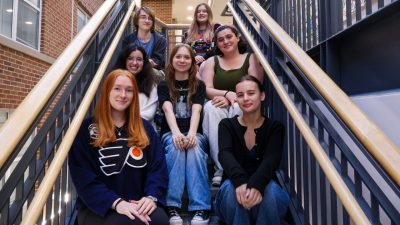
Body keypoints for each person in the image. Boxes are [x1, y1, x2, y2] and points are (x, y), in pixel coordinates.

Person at [69, 69, 169, 225]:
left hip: (138, 202)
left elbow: (157, 168)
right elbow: (83, 176)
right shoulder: (86, 129)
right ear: (107, 91)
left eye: (129, 90)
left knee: (159, 220)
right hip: (100, 206)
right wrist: (116, 202)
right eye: (117, 88)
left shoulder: (145, 128)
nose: (123, 95)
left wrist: (151, 197)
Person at [215, 75, 289, 225]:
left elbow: (271, 159)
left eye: (251, 93)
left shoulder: (275, 127)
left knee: (270, 192)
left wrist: (256, 184)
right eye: (240, 95)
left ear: (262, 95)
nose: (246, 98)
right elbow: (225, 154)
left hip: (266, 191)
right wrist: (240, 182)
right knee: (231, 190)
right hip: (232, 189)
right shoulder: (226, 125)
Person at [201, 24, 264, 186]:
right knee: (210, 108)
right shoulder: (211, 62)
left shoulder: (250, 58)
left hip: (243, 102)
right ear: (217, 44)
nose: (225, 41)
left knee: (238, 106)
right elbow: (206, 89)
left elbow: (254, 85)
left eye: (229, 37)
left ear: (237, 38)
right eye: (221, 40)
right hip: (219, 101)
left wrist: (233, 98)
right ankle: (222, 167)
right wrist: (227, 95)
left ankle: (237, 162)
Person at [157, 44, 210, 225]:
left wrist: (193, 134)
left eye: (186, 57)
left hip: (194, 131)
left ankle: (201, 207)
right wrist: (176, 133)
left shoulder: (199, 85)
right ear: (172, 60)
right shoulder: (164, 85)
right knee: (175, 147)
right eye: (178, 57)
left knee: (194, 149)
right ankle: (172, 206)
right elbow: (167, 109)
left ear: (192, 61)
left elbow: (196, 110)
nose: (182, 60)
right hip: (170, 131)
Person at [114, 44, 158, 125]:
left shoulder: (151, 86)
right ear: (124, 60)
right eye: (130, 58)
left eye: (139, 59)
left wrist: (122, 122)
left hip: (143, 130)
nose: (134, 63)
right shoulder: (113, 82)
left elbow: (148, 115)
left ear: (144, 62)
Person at [123, 6, 166, 71]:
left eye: (150, 18)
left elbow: (158, 61)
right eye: (143, 17)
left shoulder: (161, 40)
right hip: (133, 70)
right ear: (137, 21)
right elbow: (125, 59)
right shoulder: (128, 40)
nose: (147, 20)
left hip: (152, 71)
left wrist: (147, 63)